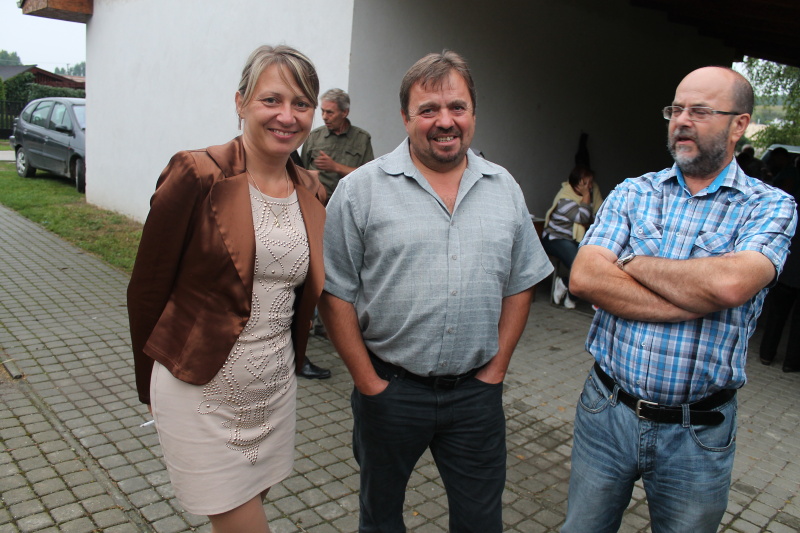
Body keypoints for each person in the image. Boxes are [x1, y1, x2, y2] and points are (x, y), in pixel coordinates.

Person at [319, 50, 552, 533]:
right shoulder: (361, 190)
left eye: (457, 107)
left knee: (480, 522)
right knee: (380, 519)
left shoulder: (504, 187)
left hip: (475, 397)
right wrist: (368, 383)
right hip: (389, 392)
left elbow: (521, 281)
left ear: (473, 113)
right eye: (428, 110)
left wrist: (495, 372)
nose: (445, 121)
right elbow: (335, 292)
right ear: (405, 117)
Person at [562, 66, 796, 533]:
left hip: (698, 433)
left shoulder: (769, 206)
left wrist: (632, 262)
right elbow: (584, 277)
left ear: (739, 125)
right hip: (606, 411)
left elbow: (730, 286)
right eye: (676, 109)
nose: (682, 120)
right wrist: (693, 296)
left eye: (700, 111)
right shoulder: (635, 191)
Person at [127, 45, 327, 532]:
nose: (287, 115)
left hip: (274, 390)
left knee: (246, 508)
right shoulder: (196, 173)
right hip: (197, 388)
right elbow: (147, 288)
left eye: (301, 103)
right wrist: (147, 384)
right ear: (240, 102)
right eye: (271, 100)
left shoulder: (312, 189)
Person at [541, 165, 603, 309]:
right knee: (580, 266)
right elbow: (583, 217)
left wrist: (587, 204)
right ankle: (569, 288)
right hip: (555, 239)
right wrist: (586, 196)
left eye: (590, 183)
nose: (589, 187)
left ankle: (567, 288)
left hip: (573, 239)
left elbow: (598, 216)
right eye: (585, 183)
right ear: (576, 185)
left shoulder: (588, 197)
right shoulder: (565, 198)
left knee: (590, 265)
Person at [301, 88, 374, 198]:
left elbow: (367, 176)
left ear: (344, 112)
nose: (324, 117)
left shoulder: (362, 139)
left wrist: (335, 167)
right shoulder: (313, 137)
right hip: (317, 201)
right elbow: (301, 173)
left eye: (330, 112)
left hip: (347, 202)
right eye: (322, 111)